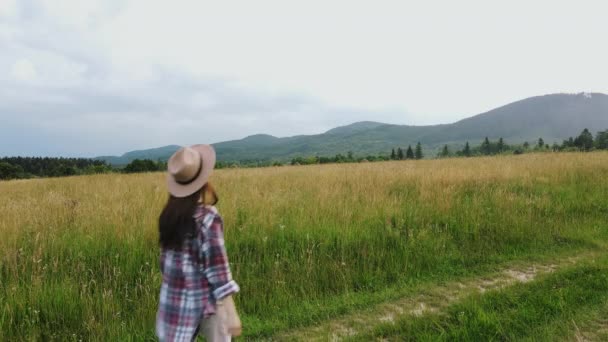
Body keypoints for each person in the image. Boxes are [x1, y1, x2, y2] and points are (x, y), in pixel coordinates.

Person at [156, 144, 241, 341]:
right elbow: (217, 270)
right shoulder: (208, 218)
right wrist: (232, 313)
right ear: (203, 180)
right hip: (208, 300)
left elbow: (165, 265)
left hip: (175, 300)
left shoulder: (168, 217)